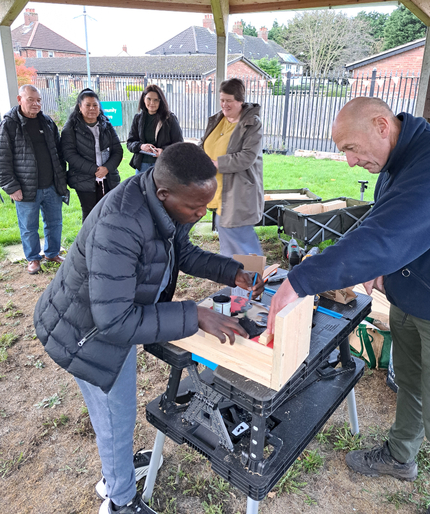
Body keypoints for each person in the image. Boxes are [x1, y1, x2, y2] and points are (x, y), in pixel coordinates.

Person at [33, 142, 264, 514]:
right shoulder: (120, 224)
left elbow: (181, 252)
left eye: (207, 205)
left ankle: (117, 471)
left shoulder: (166, 204)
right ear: (164, 193)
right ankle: (119, 500)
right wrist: (195, 315)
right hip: (87, 336)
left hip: (108, 323)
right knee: (115, 417)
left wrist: (230, 271)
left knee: (116, 417)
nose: (201, 214)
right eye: (195, 207)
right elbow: (114, 321)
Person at [267, 97, 430, 514]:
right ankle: (402, 457)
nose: (348, 162)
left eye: (351, 147)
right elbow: (380, 224)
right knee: (412, 389)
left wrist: (301, 280)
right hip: (410, 299)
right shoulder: (398, 160)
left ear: (382, 126)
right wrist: (382, 266)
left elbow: (387, 238)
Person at [0, 84, 68, 274]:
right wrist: (11, 187)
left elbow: (58, 153)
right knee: (29, 227)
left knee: (55, 222)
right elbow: (2, 158)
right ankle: (33, 258)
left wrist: (60, 180)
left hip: (52, 185)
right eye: (30, 99)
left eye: (38, 100)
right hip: (25, 187)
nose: (36, 104)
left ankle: (52, 253)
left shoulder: (47, 122)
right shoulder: (9, 124)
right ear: (19, 99)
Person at [200, 78, 263, 257]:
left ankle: (253, 280)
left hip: (239, 192)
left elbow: (247, 157)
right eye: (222, 100)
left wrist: (216, 164)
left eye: (229, 100)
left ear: (240, 101)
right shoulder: (218, 119)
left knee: (244, 246)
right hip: (220, 192)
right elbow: (204, 144)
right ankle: (239, 282)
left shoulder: (252, 123)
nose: (224, 105)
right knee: (228, 243)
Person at [61, 88, 123, 222]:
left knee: (110, 213)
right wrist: (94, 170)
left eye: (95, 105)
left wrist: (107, 168)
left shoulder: (106, 124)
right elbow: (69, 154)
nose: (92, 108)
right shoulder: (71, 127)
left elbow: (118, 150)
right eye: (87, 105)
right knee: (90, 215)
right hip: (84, 179)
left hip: (109, 177)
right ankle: (88, 243)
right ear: (79, 107)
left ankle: (108, 242)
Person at [127, 84, 183, 174]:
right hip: (141, 166)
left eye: (156, 100)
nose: (152, 103)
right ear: (143, 99)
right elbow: (130, 143)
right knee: (142, 188)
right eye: (149, 99)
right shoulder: (138, 118)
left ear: (161, 102)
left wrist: (163, 151)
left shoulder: (170, 118)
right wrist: (141, 146)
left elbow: (179, 144)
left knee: (161, 189)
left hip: (162, 164)